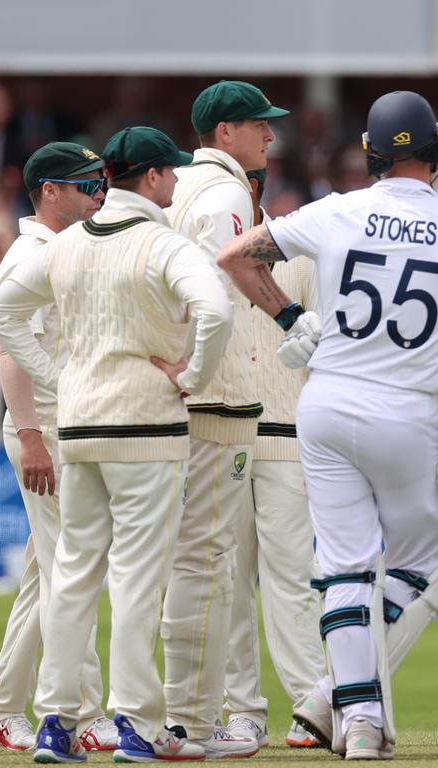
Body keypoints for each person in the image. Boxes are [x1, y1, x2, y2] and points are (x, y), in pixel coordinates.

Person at [218, 90, 438, 760]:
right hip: (408, 413)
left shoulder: (337, 210)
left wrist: (291, 319)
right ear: (432, 151)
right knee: (421, 561)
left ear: (370, 154)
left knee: (342, 568)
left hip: (329, 404)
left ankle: (357, 716)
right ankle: (339, 701)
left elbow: (235, 256)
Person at [0, 126, 233, 763]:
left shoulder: (64, 246)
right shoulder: (163, 243)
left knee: (71, 576)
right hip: (146, 431)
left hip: (81, 428)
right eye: (170, 173)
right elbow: (216, 311)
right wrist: (191, 377)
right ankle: (138, 727)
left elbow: (1, 314)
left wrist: (59, 378)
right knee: (136, 581)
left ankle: (57, 725)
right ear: (150, 179)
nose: (176, 182)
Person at [0, 142, 116, 754]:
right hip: (44, 430)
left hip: (67, 426)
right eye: (85, 186)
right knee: (71, 573)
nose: (97, 196)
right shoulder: (30, 254)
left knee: (47, 575)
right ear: (48, 192)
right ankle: (85, 713)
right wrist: (30, 433)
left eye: (100, 184)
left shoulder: (69, 248)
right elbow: (8, 349)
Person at [161, 80, 289, 758]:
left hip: (188, 400)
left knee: (192, 562)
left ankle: (184, 715)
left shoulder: (178, 188)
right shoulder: (226, 193)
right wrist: (196, 375)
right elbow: (221, 287)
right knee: (208, 566)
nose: (269, 137)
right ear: (225, 133)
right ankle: (190, 722)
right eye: (258, 125)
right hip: (215, 401)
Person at [222, 168, 325, 750]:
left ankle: (313, 703)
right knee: (230, 579)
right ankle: (243, 712)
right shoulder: (199, 247)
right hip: (228, 428)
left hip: (288, 432)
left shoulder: (302, 255)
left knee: (292, 577)